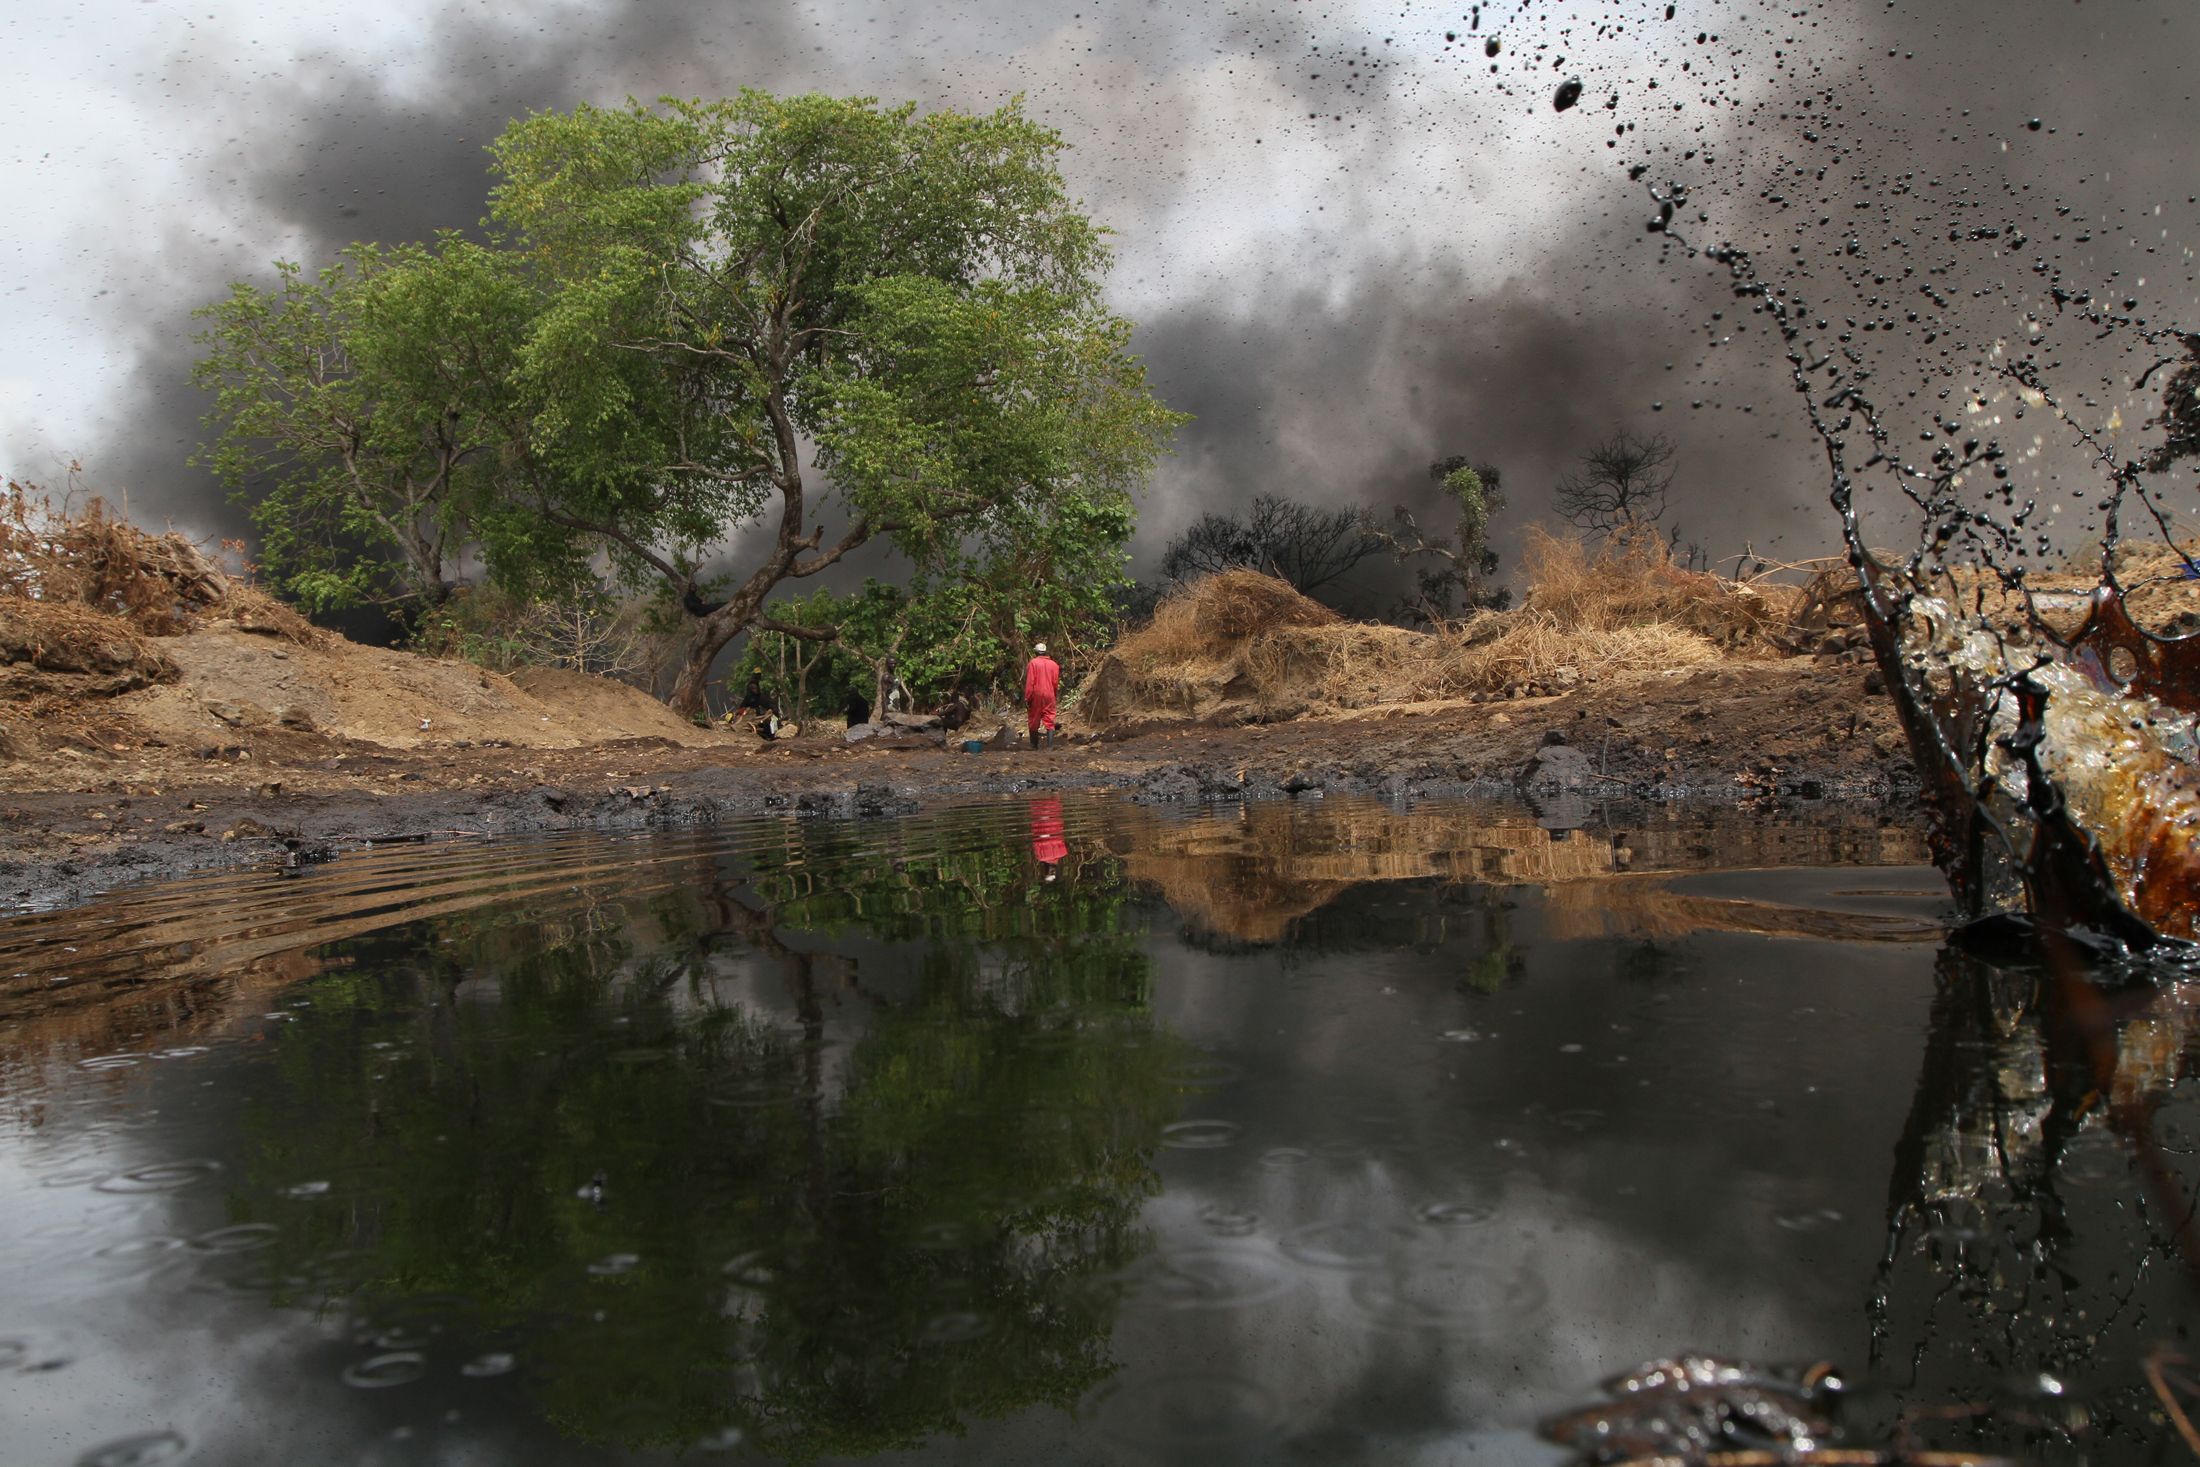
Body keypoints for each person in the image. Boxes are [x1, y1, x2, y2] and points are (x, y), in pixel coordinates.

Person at [1023, 641, 1061, 748]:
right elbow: (1055, 683)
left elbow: (1030, 682)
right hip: (1050, 694)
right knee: (1050, 718)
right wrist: (1054, 695)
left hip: (1037, 694)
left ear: (1036, 652)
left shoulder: (1033, 663)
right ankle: (1050, 746)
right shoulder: (1054, 665)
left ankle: (1034, 745)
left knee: (1034, 718)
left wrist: (1027, 698)